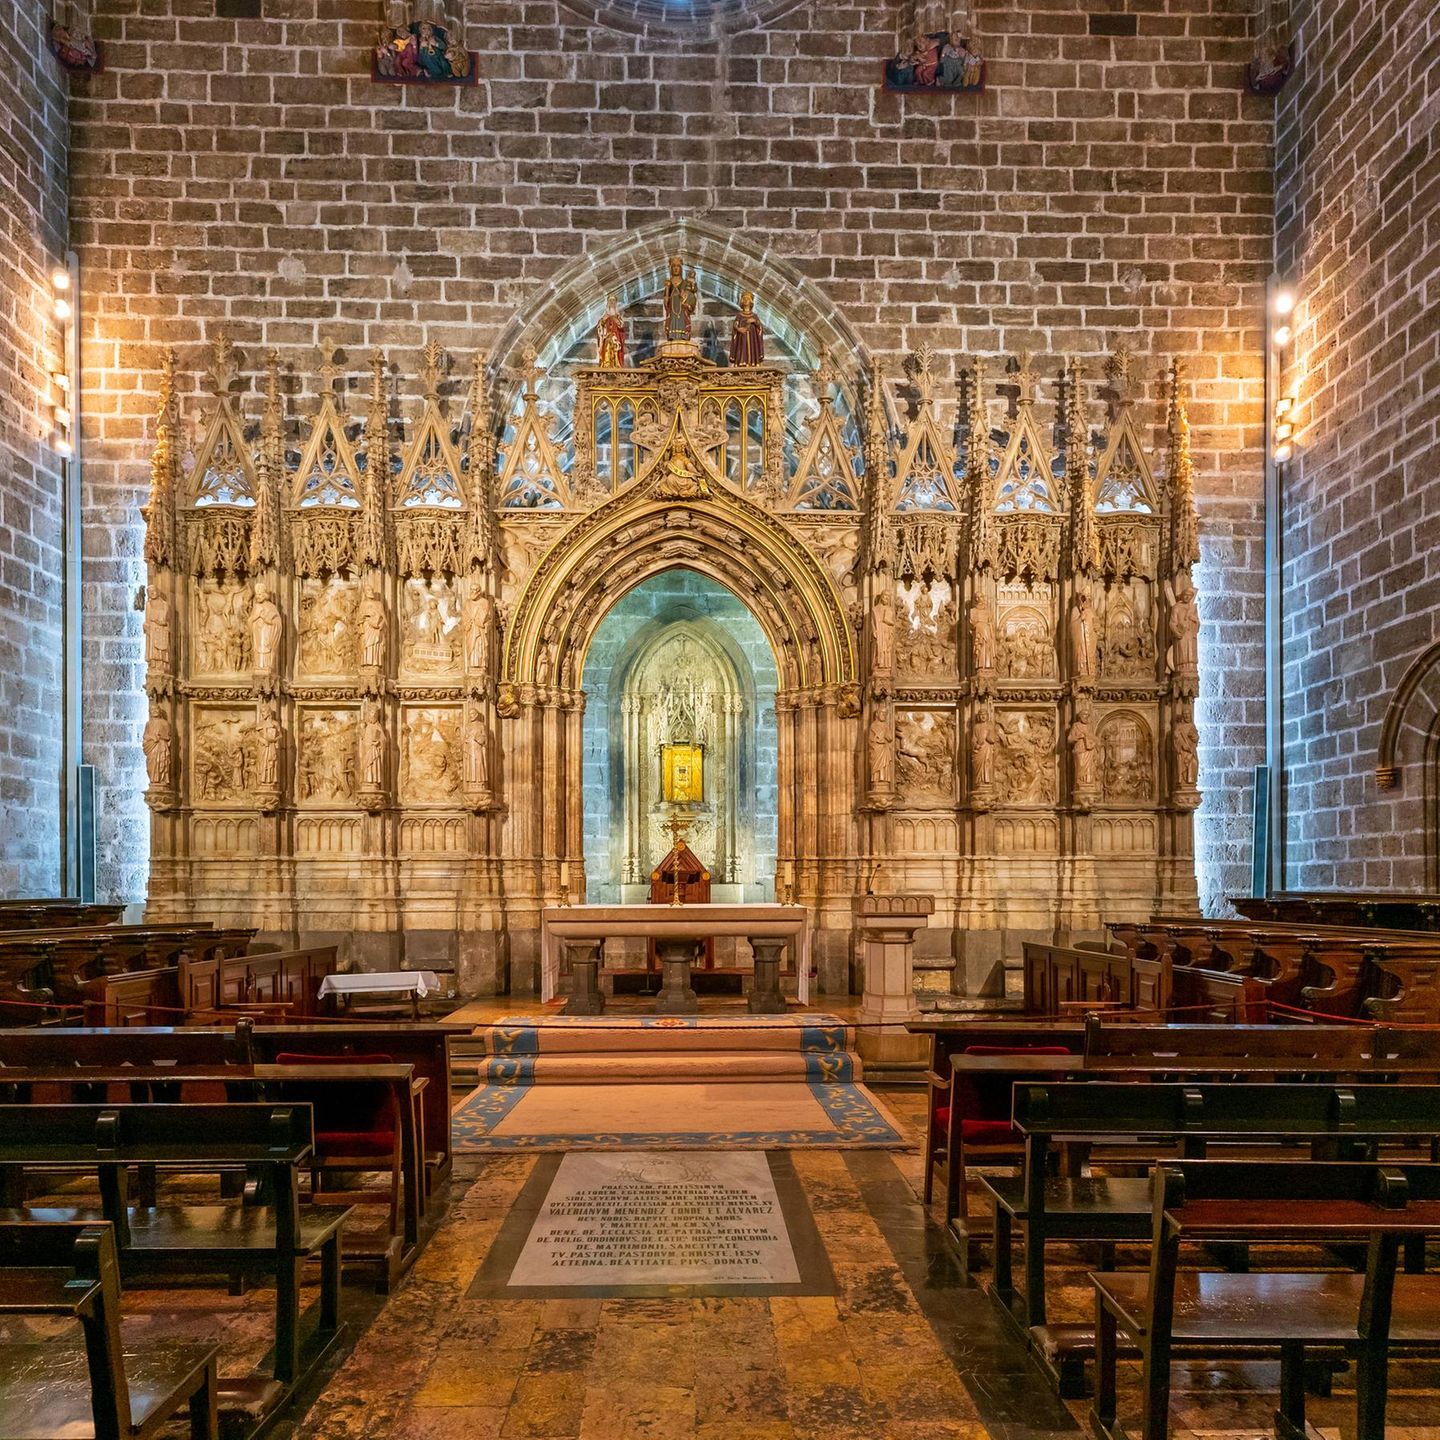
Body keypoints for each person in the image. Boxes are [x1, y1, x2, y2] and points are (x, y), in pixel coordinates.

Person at [662, 256, 698, 343]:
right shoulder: (669, 283)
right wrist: (666, 296)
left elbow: (692, 295)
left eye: (678, 266)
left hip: (682, 309)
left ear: (681, 268)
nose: (676, 268)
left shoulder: (685, 282)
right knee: (672, 323)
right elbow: (666, 299)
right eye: (673, 266)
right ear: (671, 268)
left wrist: (686, 299)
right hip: (672, 309)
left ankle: (684, 335)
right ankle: (671, 336)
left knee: (682, 322)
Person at [729, 291, 765, 367]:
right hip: (742, 338)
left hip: (752, 339)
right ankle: (741, 362)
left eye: (748, 299)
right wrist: (739, 329)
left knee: (752, 348)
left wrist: (754, 321)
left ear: (751, 302)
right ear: (742, 301)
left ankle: (753, 362)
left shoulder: (754, 315)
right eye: (744, 299)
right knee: (742, 349)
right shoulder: (739, 315)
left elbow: (760, 328)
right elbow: (735, 325)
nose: (746, 300)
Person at [596, 294, 626, 367]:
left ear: (616, 303)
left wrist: (614, 318)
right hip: (607, 337)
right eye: (610, 300)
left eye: (613, 300)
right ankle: (606, 364)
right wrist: (604, 320)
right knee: (606, 350)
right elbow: (600, 327)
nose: (612, 302)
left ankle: (617, 364)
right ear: (608, 303)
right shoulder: (605, 316)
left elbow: (621, 326)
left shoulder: (618, 316)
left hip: (616, 338)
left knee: (616, 350)